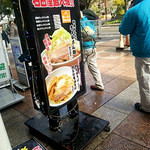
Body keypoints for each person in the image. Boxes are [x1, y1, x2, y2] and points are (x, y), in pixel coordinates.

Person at [119, 0, 150, 114]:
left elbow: (123, 30)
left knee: (145, 80)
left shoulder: (135, 10)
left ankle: (147, 107)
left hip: (144, 52)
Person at [80, 1, 104, 91]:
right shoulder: (90, 16)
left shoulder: (81, 19)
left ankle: (80, 86)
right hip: (92, 45)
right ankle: (99, 84)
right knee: (93, 66)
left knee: (82, 67)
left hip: (84, 47)